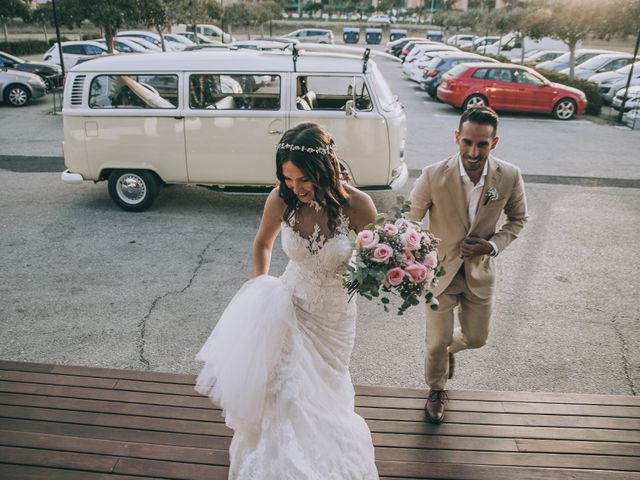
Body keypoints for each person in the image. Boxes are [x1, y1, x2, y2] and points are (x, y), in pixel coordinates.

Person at [195, 122, 380, 479]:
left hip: (334, 315)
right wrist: (259, 288)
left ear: (324, 169)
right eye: (288, 179)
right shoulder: (282, 198)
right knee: (287, 393)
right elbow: (262, 243)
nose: (296, 188)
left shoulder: (358, 206)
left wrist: (386, 272)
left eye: (303, 180)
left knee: (324, 394)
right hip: (287, 305)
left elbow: (381, 258)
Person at [407, 107, 528, 424]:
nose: (474, 152)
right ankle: (436, 389)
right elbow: (410, 219)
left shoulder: (510, 176)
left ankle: (450, 351)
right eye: (468, 143)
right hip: (440, 274)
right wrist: (416, 255)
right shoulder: (434, 175)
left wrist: (492, 245)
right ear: (457, 138)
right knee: (435, 341)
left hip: (480, 274)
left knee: (477, 339)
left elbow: (518, 220)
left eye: (482, 145)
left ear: (494, 142)